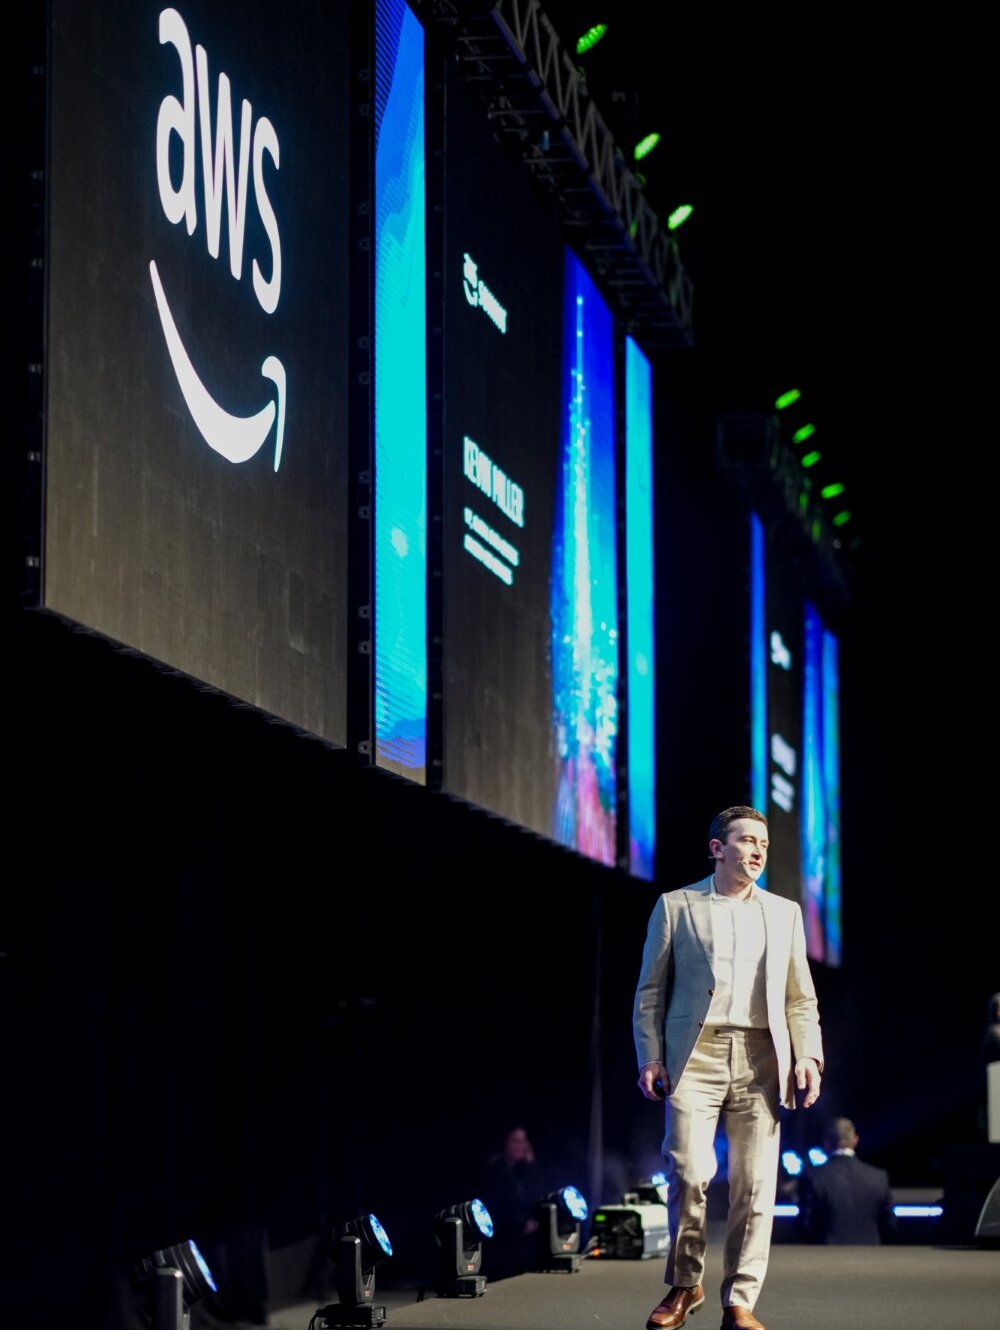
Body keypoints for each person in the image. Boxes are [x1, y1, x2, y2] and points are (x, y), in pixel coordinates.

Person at [633, 805, 823, 1330]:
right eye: (747, 840)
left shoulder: (784, 913)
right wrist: (650, 1055)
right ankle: (685, 1283)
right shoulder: (677, 906)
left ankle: (739, 1299)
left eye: (764, 842)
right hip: (695, 1056)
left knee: (756, 1185)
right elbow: (650, 992)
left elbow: (800, 998)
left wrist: (807, 1054)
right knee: (689, 1172)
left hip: (763, 1057)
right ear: (718, 848)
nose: (759, 850)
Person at [797, 1117, 895, 1245]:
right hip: (870, 1258)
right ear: (855, 1141)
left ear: (826, 1143)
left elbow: (805, 1223)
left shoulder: (813, 1176)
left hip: (824, 1258)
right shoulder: (878, 1177)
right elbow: (890, 1225)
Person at [479, 1125, 547, 1278]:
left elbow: (538, 1196)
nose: (521, 1146)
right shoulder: (494, 1171)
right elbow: (495, 1207)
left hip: (524, 1244)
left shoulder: (525, 1171)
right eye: (515, 1142)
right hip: (502, 1243)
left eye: (524, 1141)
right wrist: (521, 1224)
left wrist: (532, 1165)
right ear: (505, 1144)